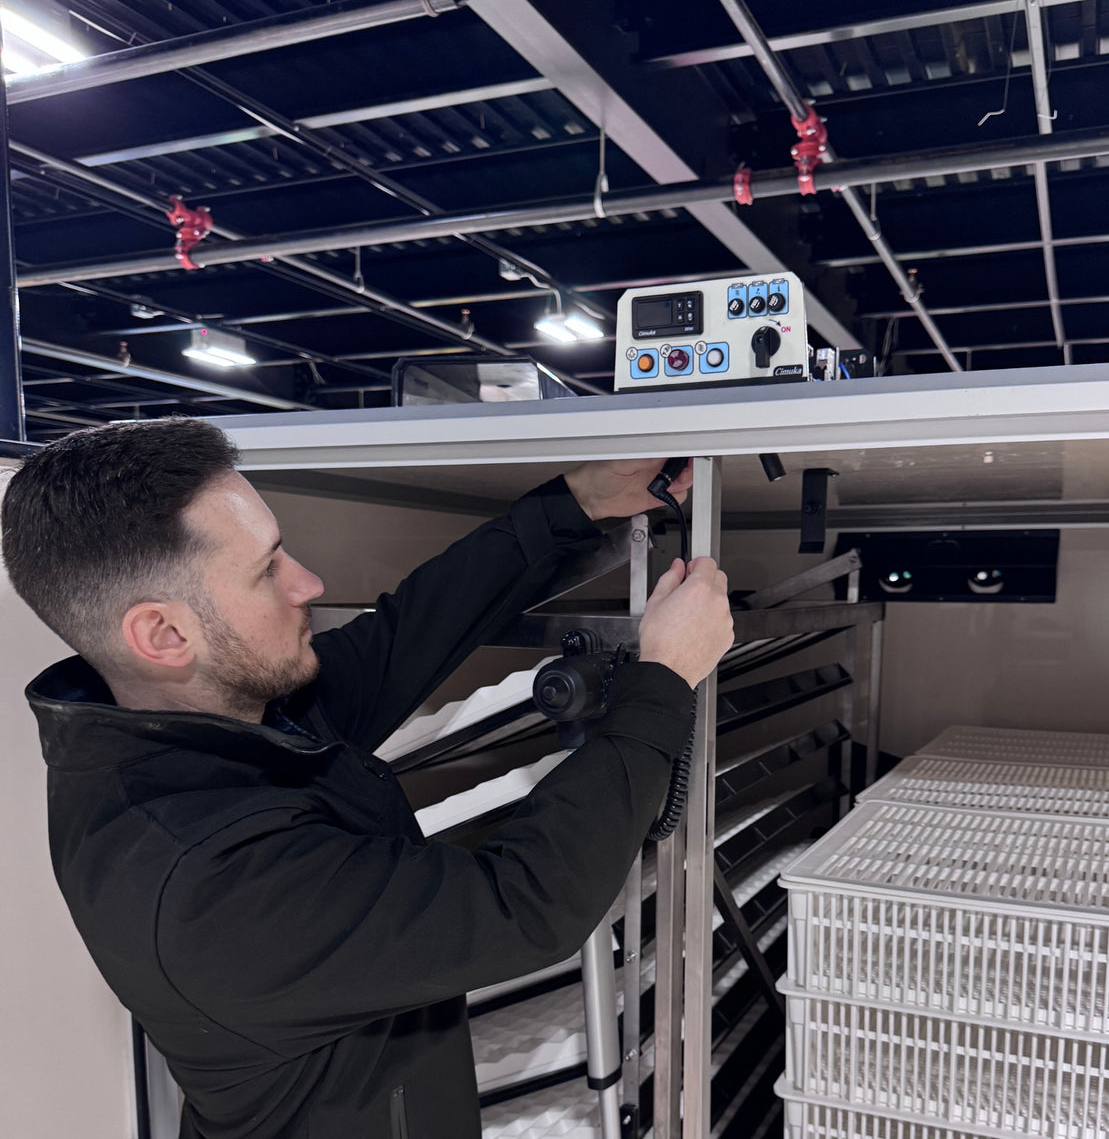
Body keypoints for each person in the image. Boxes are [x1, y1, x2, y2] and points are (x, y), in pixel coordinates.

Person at [1, 416, 733, 1139]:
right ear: (163, 635)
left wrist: (576, 502)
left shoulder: (200, 718)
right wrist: (664, 679)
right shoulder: (207, 880)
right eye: (267, 571)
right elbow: (525, 903)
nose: (308, 583)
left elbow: (399, 638)